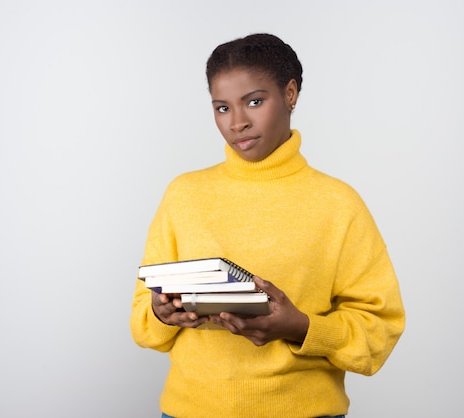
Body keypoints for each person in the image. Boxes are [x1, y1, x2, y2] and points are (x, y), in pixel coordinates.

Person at [130, 33, 405, 418]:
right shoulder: (184, 194)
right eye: (222, 108)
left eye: (254, 102)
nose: (237, 123)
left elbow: (379, 331)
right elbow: (142, 321)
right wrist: (163, 313)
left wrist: (300, 327)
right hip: (189, 410)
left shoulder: (338, 203)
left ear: (290, 94)